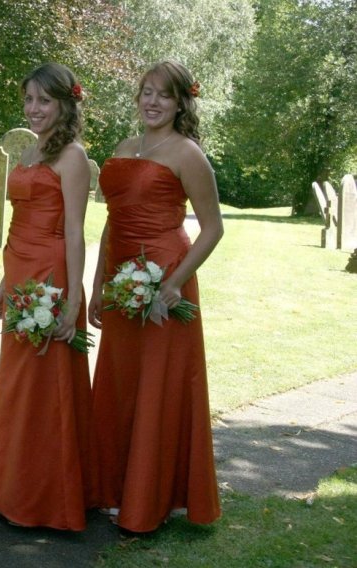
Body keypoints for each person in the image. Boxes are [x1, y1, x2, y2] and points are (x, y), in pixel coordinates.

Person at [88, 60, 223, 533]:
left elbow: (212, 229)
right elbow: (112, 220)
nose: (152, 101)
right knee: (122, 386)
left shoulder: (188, 154)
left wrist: (173, 283)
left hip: (166, 277)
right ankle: (112, 489)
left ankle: (149, 501)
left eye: (163, 94)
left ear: (181, 101)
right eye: (146, 91)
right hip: (123, 279)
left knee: (158, 388)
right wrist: (99, 282)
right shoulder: (125, 147)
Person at [0, 63, 93, 531]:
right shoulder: (29, 150)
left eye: (44, 100)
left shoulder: (72, 157)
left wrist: (71, 300)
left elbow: (74, 231)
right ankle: (12, 487)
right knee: (17, 385)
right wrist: (5, 285)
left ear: (65, 104)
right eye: (29, 99)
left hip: (51, 276)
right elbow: (20, 220)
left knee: (46, 390)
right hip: (20, 270)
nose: (34, 108)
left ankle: (46, 499)